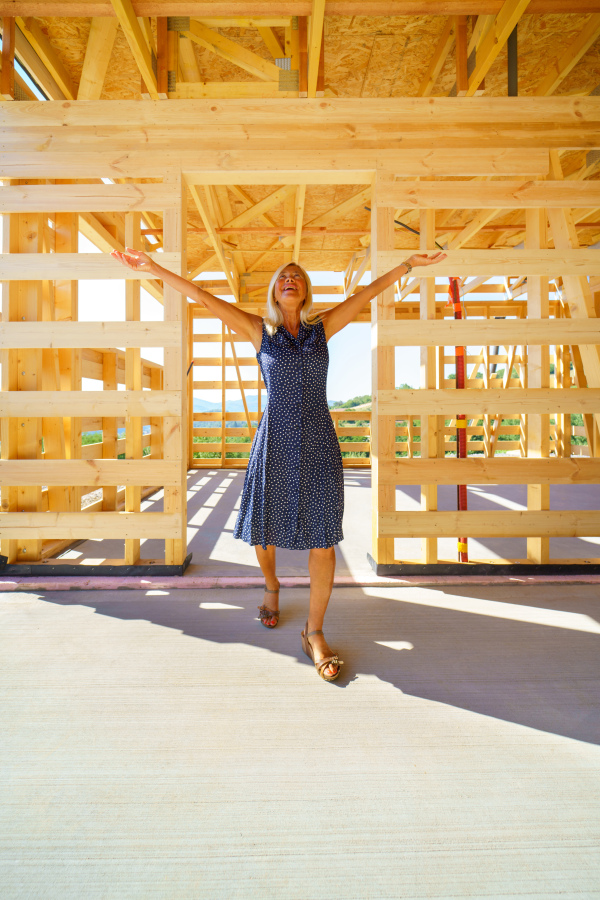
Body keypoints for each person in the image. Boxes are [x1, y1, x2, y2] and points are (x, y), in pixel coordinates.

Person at [111, 246, 445, 681]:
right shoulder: (260, 330)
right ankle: (271, 586)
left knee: (322, 537)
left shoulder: (322, 328)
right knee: (265, 527)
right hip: (275, 442)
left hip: (320, 442)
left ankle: (315, 631)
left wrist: (407, 266)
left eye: (298, 276)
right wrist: (153, 268)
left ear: (305, 291)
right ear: (275, 289)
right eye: (283, 276)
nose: (290, 279)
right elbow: (204, 298)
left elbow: (365, 294)